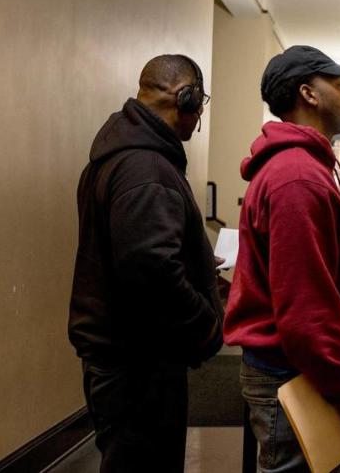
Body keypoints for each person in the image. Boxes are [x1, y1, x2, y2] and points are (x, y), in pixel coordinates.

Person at [223, 45, 340, 472]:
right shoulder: (296, 178)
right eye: (339, 83)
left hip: (295, 367)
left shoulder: (305, 168)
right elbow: (306, 315)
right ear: (309, 94)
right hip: (291, 372)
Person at [68, 54, 223, 473]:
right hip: (139, 364)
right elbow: (151, 269)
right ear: (185, 99)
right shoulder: (146, 168)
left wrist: (197, 264)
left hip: (126, 358)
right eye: (200, 104)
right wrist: (206, 326)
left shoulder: (124, 158)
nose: (199, 117)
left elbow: (140, 250)